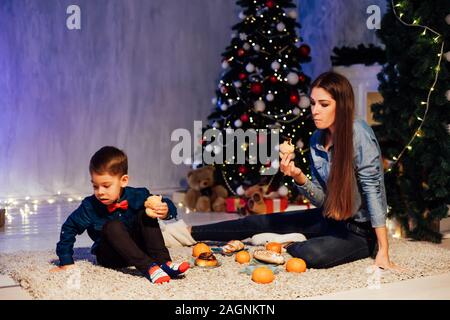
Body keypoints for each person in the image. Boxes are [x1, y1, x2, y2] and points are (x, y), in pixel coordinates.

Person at [163, 72, 404, 271]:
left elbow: (374, 191)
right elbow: (322, 200)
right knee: (258, 220)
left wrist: (383, 249)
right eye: (312, 103)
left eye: (324, 104)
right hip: (329, 218)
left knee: (313, 255)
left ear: (342, 106)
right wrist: (298, 175)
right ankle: (188, 232)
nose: (315, 110)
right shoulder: (316, 140)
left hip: (360, 233)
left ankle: (288, 241)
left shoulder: (358, 134)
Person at [50, 146, 190, 284]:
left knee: (146, 213)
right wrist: (66, 260)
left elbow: (164, 203)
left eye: (106, 185)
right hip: (111, 257)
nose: (100, 192)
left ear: (123, 181)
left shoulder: (137, 195)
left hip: (139, 249)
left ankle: (163, 262)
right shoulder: (90, 206)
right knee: (113, 226)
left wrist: (164, 211)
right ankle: (149, 267)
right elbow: (69, 228)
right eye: (95, 186)